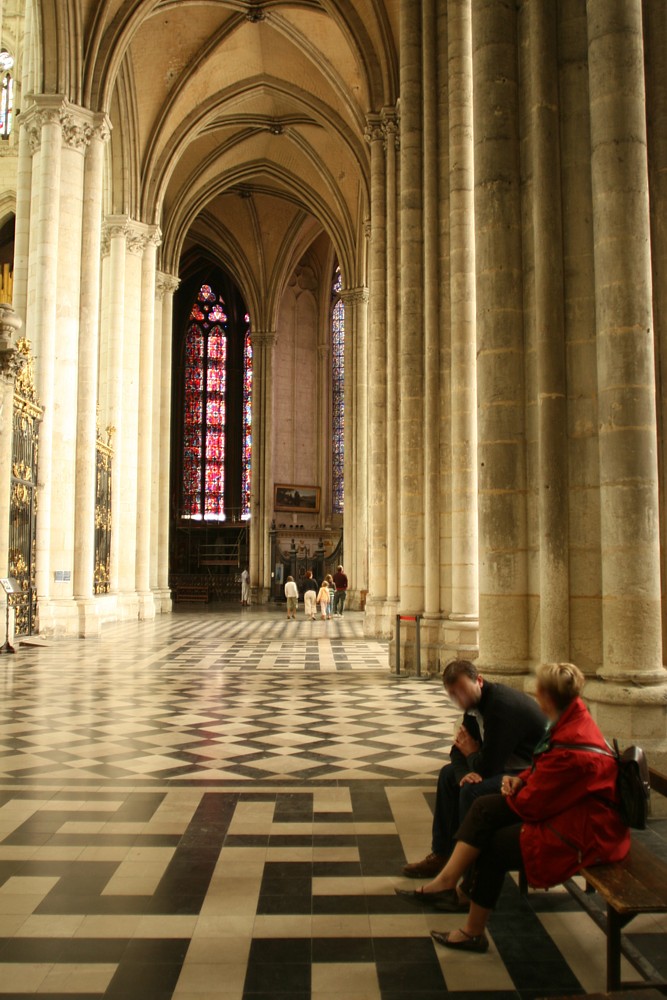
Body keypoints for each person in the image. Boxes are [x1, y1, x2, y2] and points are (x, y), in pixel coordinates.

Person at [396, 662, 630, 954]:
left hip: (585, 831)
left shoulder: (563, 736)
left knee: (491, 839)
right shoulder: (569, 720)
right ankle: (446, 877)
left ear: (548, 696)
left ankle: (471, 928)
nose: (534, 698)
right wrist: (519, 781)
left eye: (538, 692)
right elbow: (541, 768)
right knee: (479, 804)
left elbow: (535, 802)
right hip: (563, 809)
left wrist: (514, 785)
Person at [403, 659, 547, 878]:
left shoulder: (500, 708)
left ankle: (469, 868)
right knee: (448, 775)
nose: (459, 699)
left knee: (473, 790)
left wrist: (471, 755)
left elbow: (487, 766)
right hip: (502, 765)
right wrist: (464, 772)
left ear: (478, 681)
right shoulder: (473, 705)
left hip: (529, 774)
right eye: (453, 695)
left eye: (462, 691)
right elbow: (457, 750)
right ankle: (442, 855)